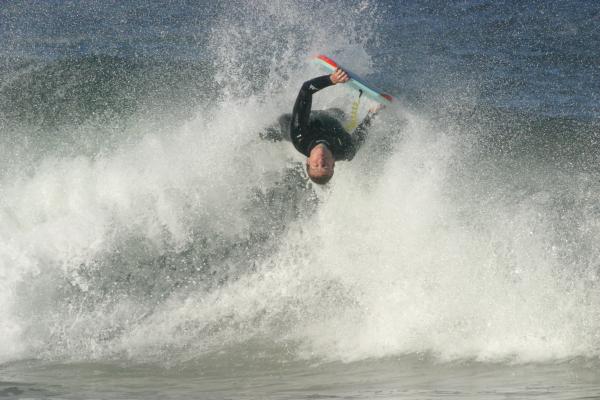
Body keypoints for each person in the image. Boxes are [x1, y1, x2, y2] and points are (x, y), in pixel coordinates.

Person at [262, 68, 382, 185]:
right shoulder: (345, 151)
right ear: (333, 164)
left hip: (286, 125)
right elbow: (359, 136)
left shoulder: (300, 134)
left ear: (308, 161)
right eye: (324, 166)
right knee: (339, 113)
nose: (320, 161)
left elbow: (306, 89)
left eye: (315, 165)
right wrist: (372, 113)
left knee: (269, 133)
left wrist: (331, 79)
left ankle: (261, 136)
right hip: (329, 118)